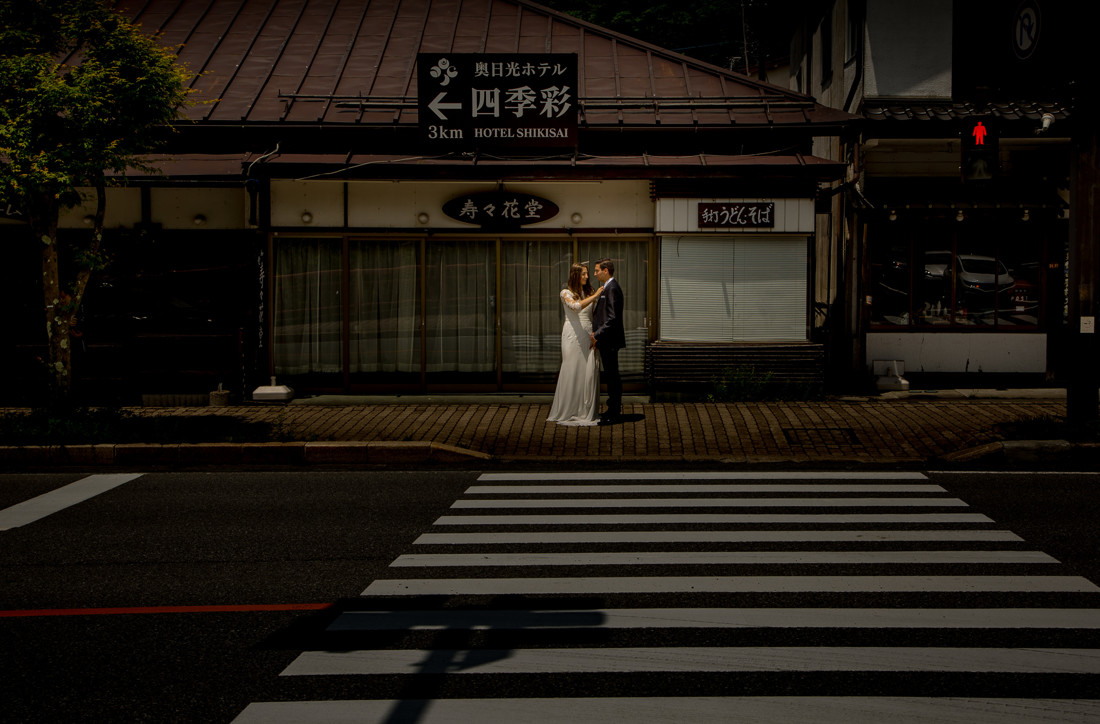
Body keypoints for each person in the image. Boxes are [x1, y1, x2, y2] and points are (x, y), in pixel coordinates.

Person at [547, 263, 604, 426]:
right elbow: (576, 307)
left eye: (587, 274)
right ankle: (569, 409)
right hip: (572, 334)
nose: (587, 276)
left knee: (587, 371)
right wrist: (596, 295)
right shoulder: (565, 293)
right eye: (583, 274)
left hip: (588, 333)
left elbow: (595, 314)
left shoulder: (589, 291)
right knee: (572, 368)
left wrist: (596, 334)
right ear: (575, 275)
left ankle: (584, 410)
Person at [592, 258, 625, 423]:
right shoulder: (608, 287)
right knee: (611, 375)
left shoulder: (612, 288)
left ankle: (614, 412)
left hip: (610, 341)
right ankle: (613, 409)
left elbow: (612, 317)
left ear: (606, 271)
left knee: (612, 376)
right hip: (608, 341)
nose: (595, 274)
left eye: (597, 270)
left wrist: (596, 334)